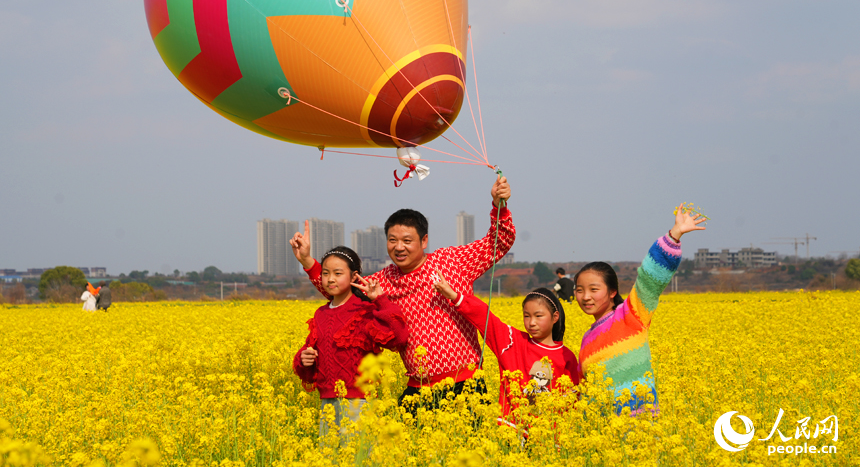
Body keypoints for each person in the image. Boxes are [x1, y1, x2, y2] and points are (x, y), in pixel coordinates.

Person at [291, 176, 515, 407]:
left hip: (466, 385)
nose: (399, 247)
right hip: (418, 390)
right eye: (392, 240)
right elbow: (339, 289)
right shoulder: (382, 281)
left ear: (424, 240)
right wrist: (308, 260)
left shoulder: (452, 261)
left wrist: (500, 206)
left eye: (407, 240)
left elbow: (499, 242)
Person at [574, 205, 706, 414]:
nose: (585, 296)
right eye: (579, 290)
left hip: (640, 426)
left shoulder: (631, 315)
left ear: (612, 292)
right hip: (603, 433)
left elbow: (649, 279)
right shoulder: (586, 339)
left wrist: (674, 235)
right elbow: (584, 391)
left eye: (593, 289)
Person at [433, 274, 580, 430]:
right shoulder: (512, 342)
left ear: (555, 316)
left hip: (548, 436)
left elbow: (571, 400)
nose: (531, 323)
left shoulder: (566, 356)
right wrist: (455, 296)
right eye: (526, 316)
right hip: (511, 432)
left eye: (538, 316)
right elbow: (486, 318)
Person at [293, 246, 408, 442]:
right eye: (326, 273)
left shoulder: (365, 311)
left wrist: (381, 300)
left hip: (359, 403)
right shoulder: (320, 314)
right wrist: (304, 358)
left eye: (338, 273)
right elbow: (309, 362)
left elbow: (399, 338)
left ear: (354, 276)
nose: (330, 279)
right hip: (327, 403)